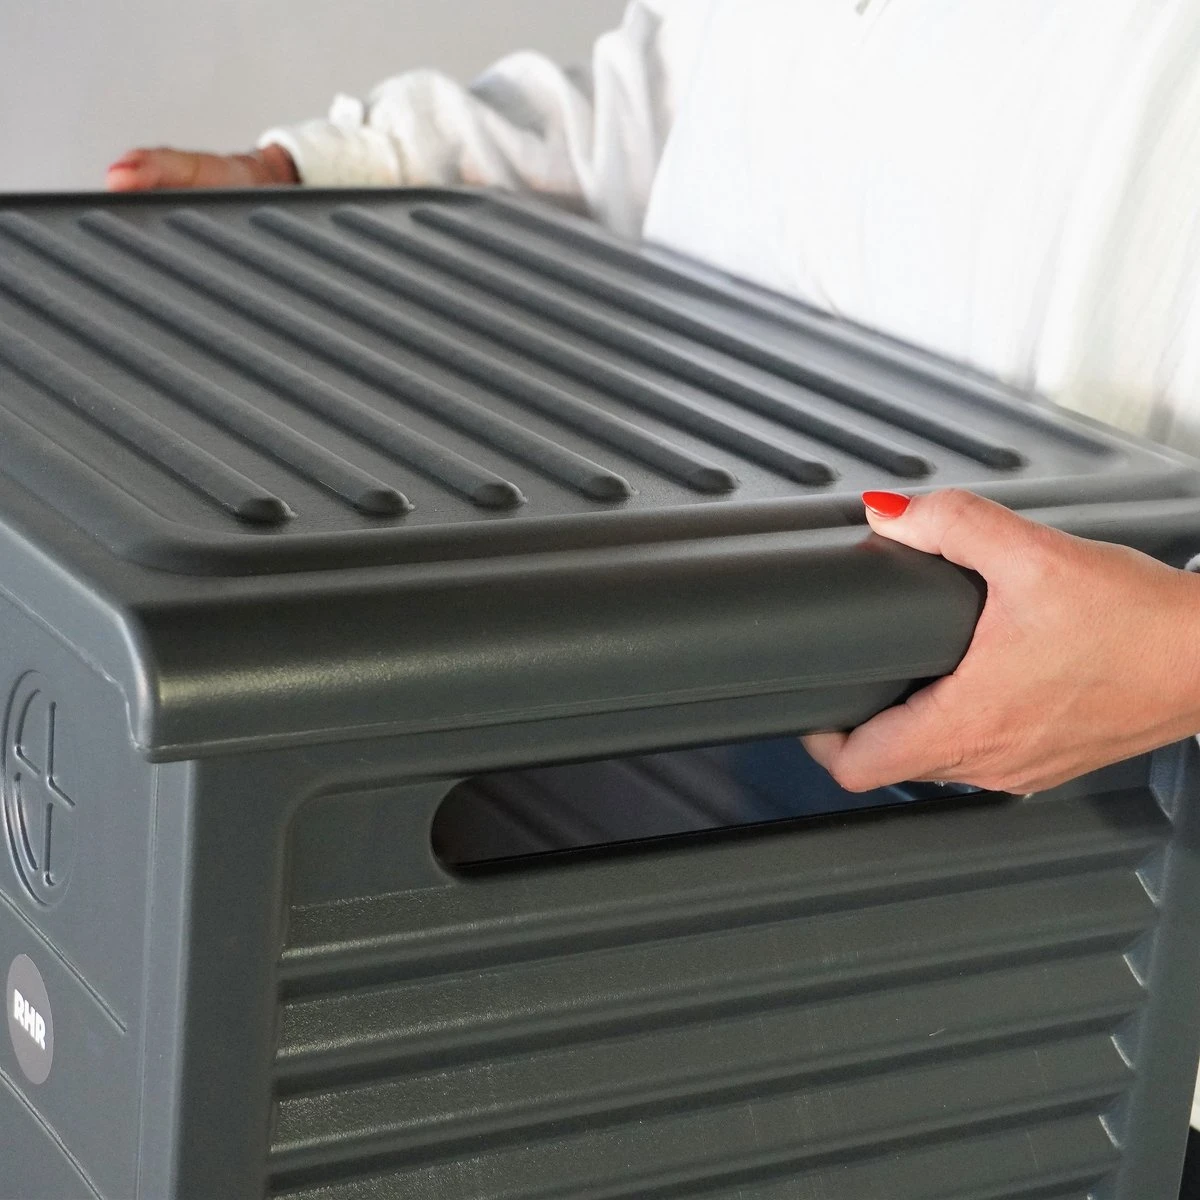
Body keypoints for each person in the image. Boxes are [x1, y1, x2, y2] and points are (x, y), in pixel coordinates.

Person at [105, 0, 1200, 1171]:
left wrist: (1177, 653)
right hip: (740, 780)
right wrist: (338, 176)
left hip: (1122, 923)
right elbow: (698, 92)